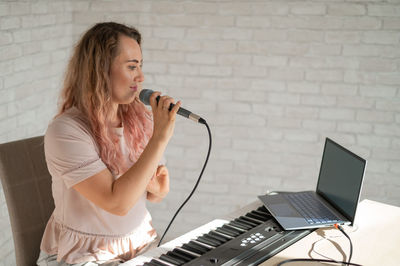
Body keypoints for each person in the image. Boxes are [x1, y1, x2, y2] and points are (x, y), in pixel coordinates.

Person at [37, 22, 181, 265]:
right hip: (82, 255)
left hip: (138, 243)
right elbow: (118, 203)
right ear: (100, 69)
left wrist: (149, 183)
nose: (141, 77)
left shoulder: (140, 120)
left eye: (140, 66)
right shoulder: (66, 131)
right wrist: (160, 137)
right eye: (132, 67)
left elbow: (158, 193)